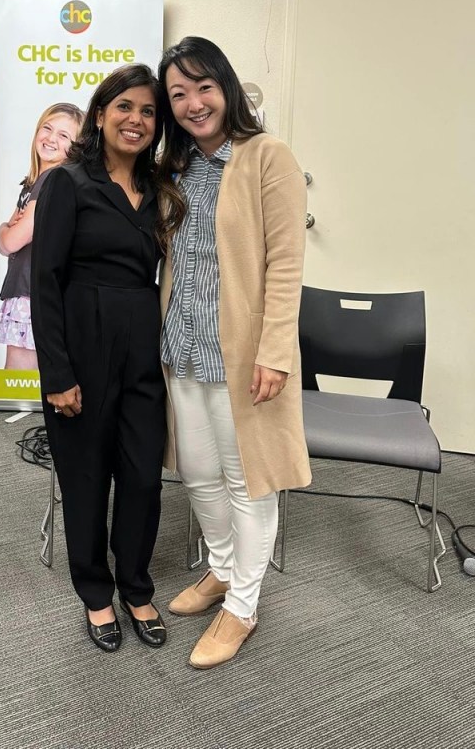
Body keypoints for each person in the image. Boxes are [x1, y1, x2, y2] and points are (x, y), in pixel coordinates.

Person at [157, 35, 311, 669]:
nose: (194, 103)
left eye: (204, 87)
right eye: (179, 94)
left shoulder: (268, 157)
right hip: (182, 346)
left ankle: (243, 605)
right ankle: (221, 570)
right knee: (197, 473)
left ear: (225, 86)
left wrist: (275, 352)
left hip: (244, 356)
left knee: (249, 482)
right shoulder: (174, 168)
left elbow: (286, 265)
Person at [30, 64, 168, 653]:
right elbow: (44, 281)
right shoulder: (68, 182)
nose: (136, 120)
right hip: (82, 349)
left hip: (143, 348)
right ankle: (95, 593)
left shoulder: (160, 189)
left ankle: (136, 585)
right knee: (86, 479)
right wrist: (57, 374)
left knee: (142, 475)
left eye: (148, 111)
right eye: (125, 107)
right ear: (101, 113)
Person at [0, 104, 84, 370]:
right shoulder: (33, 183)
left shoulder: (51, 181)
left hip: (31, 294)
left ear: (76, 147)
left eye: (64, 135)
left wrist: (2, 229)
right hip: (28, 291)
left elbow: (10, 241)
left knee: (21, 379)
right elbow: (8, 242)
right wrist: (6, 231)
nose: (51, 138)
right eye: (47, 128)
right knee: (28, 379)